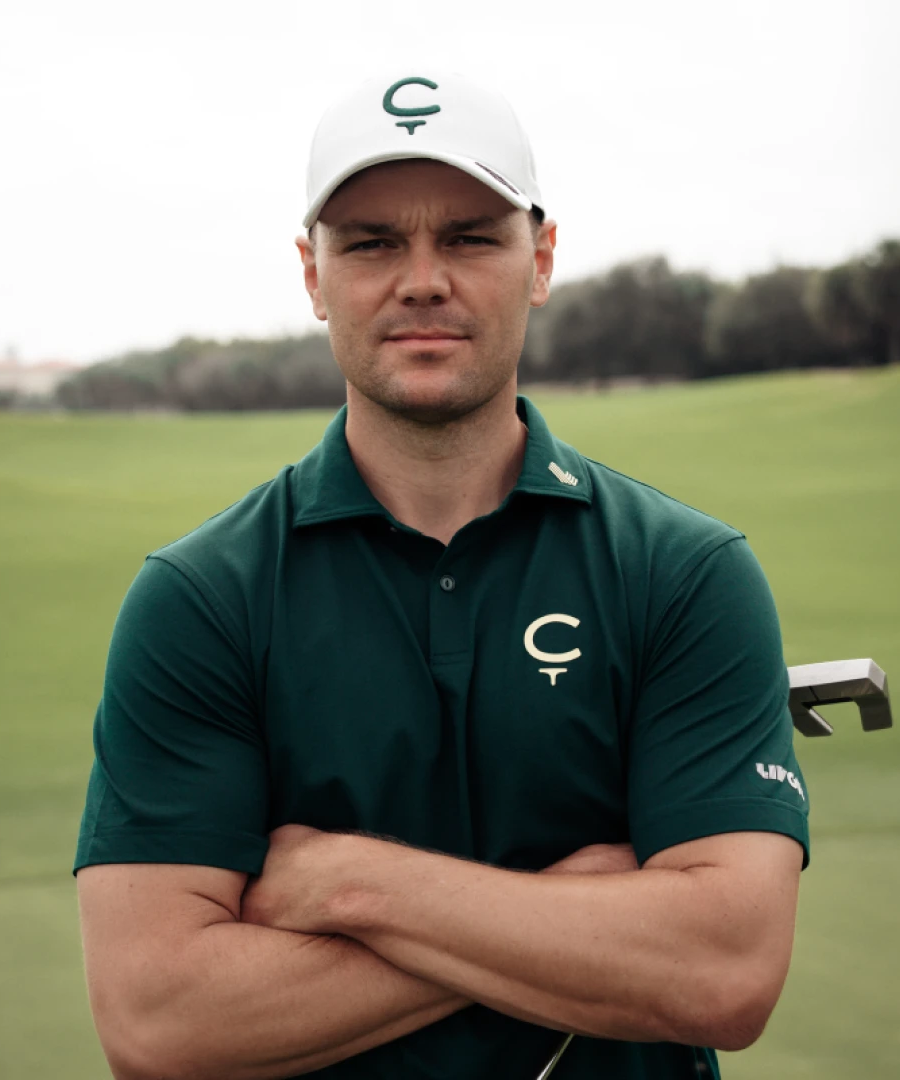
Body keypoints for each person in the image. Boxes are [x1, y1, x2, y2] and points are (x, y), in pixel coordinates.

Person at [74, 71, 810, 1080]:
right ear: (311, 273)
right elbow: (160, 1021)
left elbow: (724, 973)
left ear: (540, 259)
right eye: (372, 241)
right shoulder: (201, 599)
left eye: (470, 236)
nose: (423, 279)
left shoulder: (683, 573)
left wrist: (351, 885)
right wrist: (579, 905)